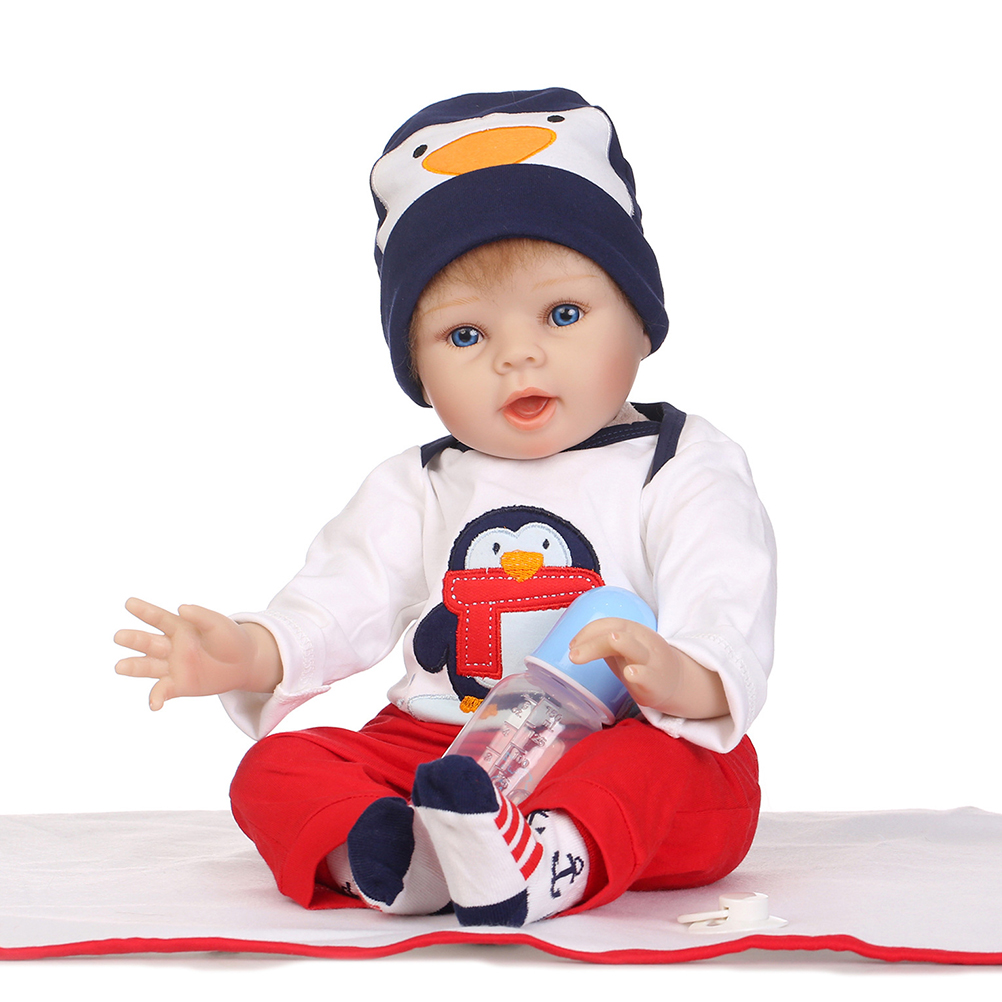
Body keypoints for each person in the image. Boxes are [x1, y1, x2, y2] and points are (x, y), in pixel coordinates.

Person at [114, 88, 776, 928]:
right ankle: (395, 858)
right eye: (466, 335)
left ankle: (546, 859)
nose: (519, 355)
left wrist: (686, 676)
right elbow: (339, 600)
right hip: (433, 749)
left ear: (641, 324)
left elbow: (725, 592)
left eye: (563, 314)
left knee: (673, 776)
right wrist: (251, 652)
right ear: (419, 371)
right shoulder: (420, 483)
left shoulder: (679, 463)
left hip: (614, 741)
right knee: (278, 769)